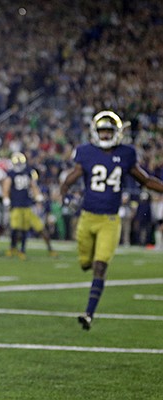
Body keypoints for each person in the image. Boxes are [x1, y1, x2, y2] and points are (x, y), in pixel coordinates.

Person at [60, 110, 163, 330]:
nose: (105, 135)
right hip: (87, 218)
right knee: (85, 263)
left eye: (109, 131)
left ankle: (88, 313)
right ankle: (89, 273)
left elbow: (145, 180)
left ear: (116, 132)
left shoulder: (126, 154)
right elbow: (70, 179)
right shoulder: (85, 152)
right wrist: (66, 193)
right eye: (102, 131)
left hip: (110, 220)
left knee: (100, 266)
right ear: (95, 132)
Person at [2, 152, 57, 260]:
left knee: (24, 229)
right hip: (16, 204)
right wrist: (6, 198)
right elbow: (6, 187)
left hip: (27, 204)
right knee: (15, 228)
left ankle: (21, 250)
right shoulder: (11, 174)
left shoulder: (28, 172)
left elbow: (33, 185)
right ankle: (13, 248)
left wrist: (38, 196)